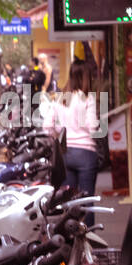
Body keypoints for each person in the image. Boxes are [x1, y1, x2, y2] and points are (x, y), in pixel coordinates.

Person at [43, 60, 101, 226]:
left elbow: (47, 126)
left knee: (69, 202)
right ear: (85, 77)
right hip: (86, 155)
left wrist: (57, 135)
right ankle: (88, 240)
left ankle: (70, 239)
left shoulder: (62, 99)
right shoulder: (87, 98)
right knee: (87, 200)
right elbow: (92, 126)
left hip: (66, 154)